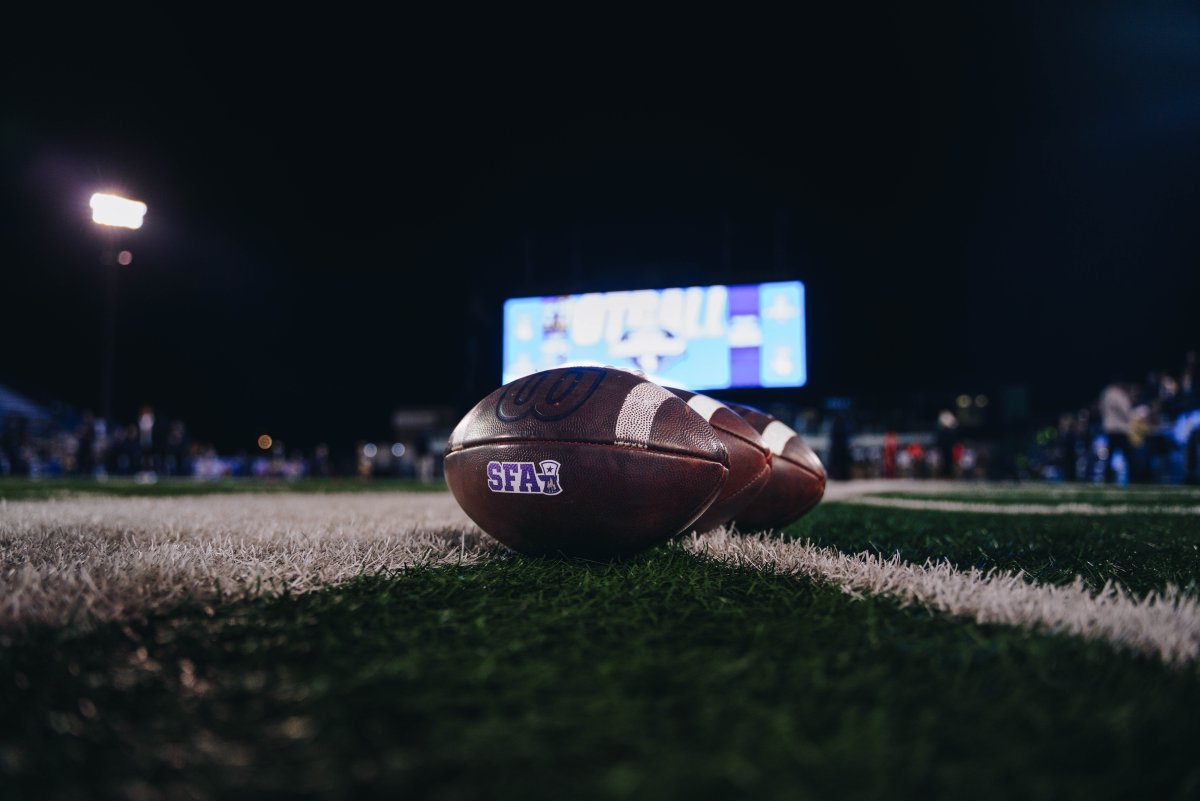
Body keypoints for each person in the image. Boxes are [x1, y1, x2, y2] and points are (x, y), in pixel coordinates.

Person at [1100, 380, 1133, 484]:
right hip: (1120, 429)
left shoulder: (1105, 393)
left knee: (1110, 456)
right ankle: (1134, 477)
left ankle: (1107, 477)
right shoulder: (1118, 394)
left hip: (1109, 428)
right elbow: (1126, 411)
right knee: (1128, 455)